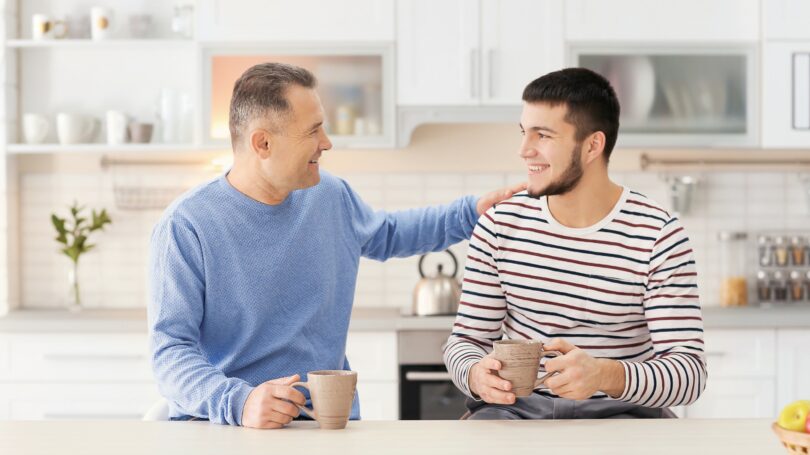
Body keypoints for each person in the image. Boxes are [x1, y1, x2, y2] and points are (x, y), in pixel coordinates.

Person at [148, 62, 524, 428]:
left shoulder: (328, 195)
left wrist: (471, 212)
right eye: (312, 131)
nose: (326, 143)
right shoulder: (187, 226)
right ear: (262, 143)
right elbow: (171, 353)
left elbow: (389, 233)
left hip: (325, 422)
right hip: (229, 426)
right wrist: (240, 402)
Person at [443, 67, 706, 420]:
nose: (524, 150)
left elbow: (689, 373)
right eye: (524, 132)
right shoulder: (498, 226)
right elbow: (465, 343)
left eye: (543, 135)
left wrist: (606, 374)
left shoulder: (658, 234)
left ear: (592, 145)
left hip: (624, 414)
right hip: (515, 412)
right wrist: (475, 374)